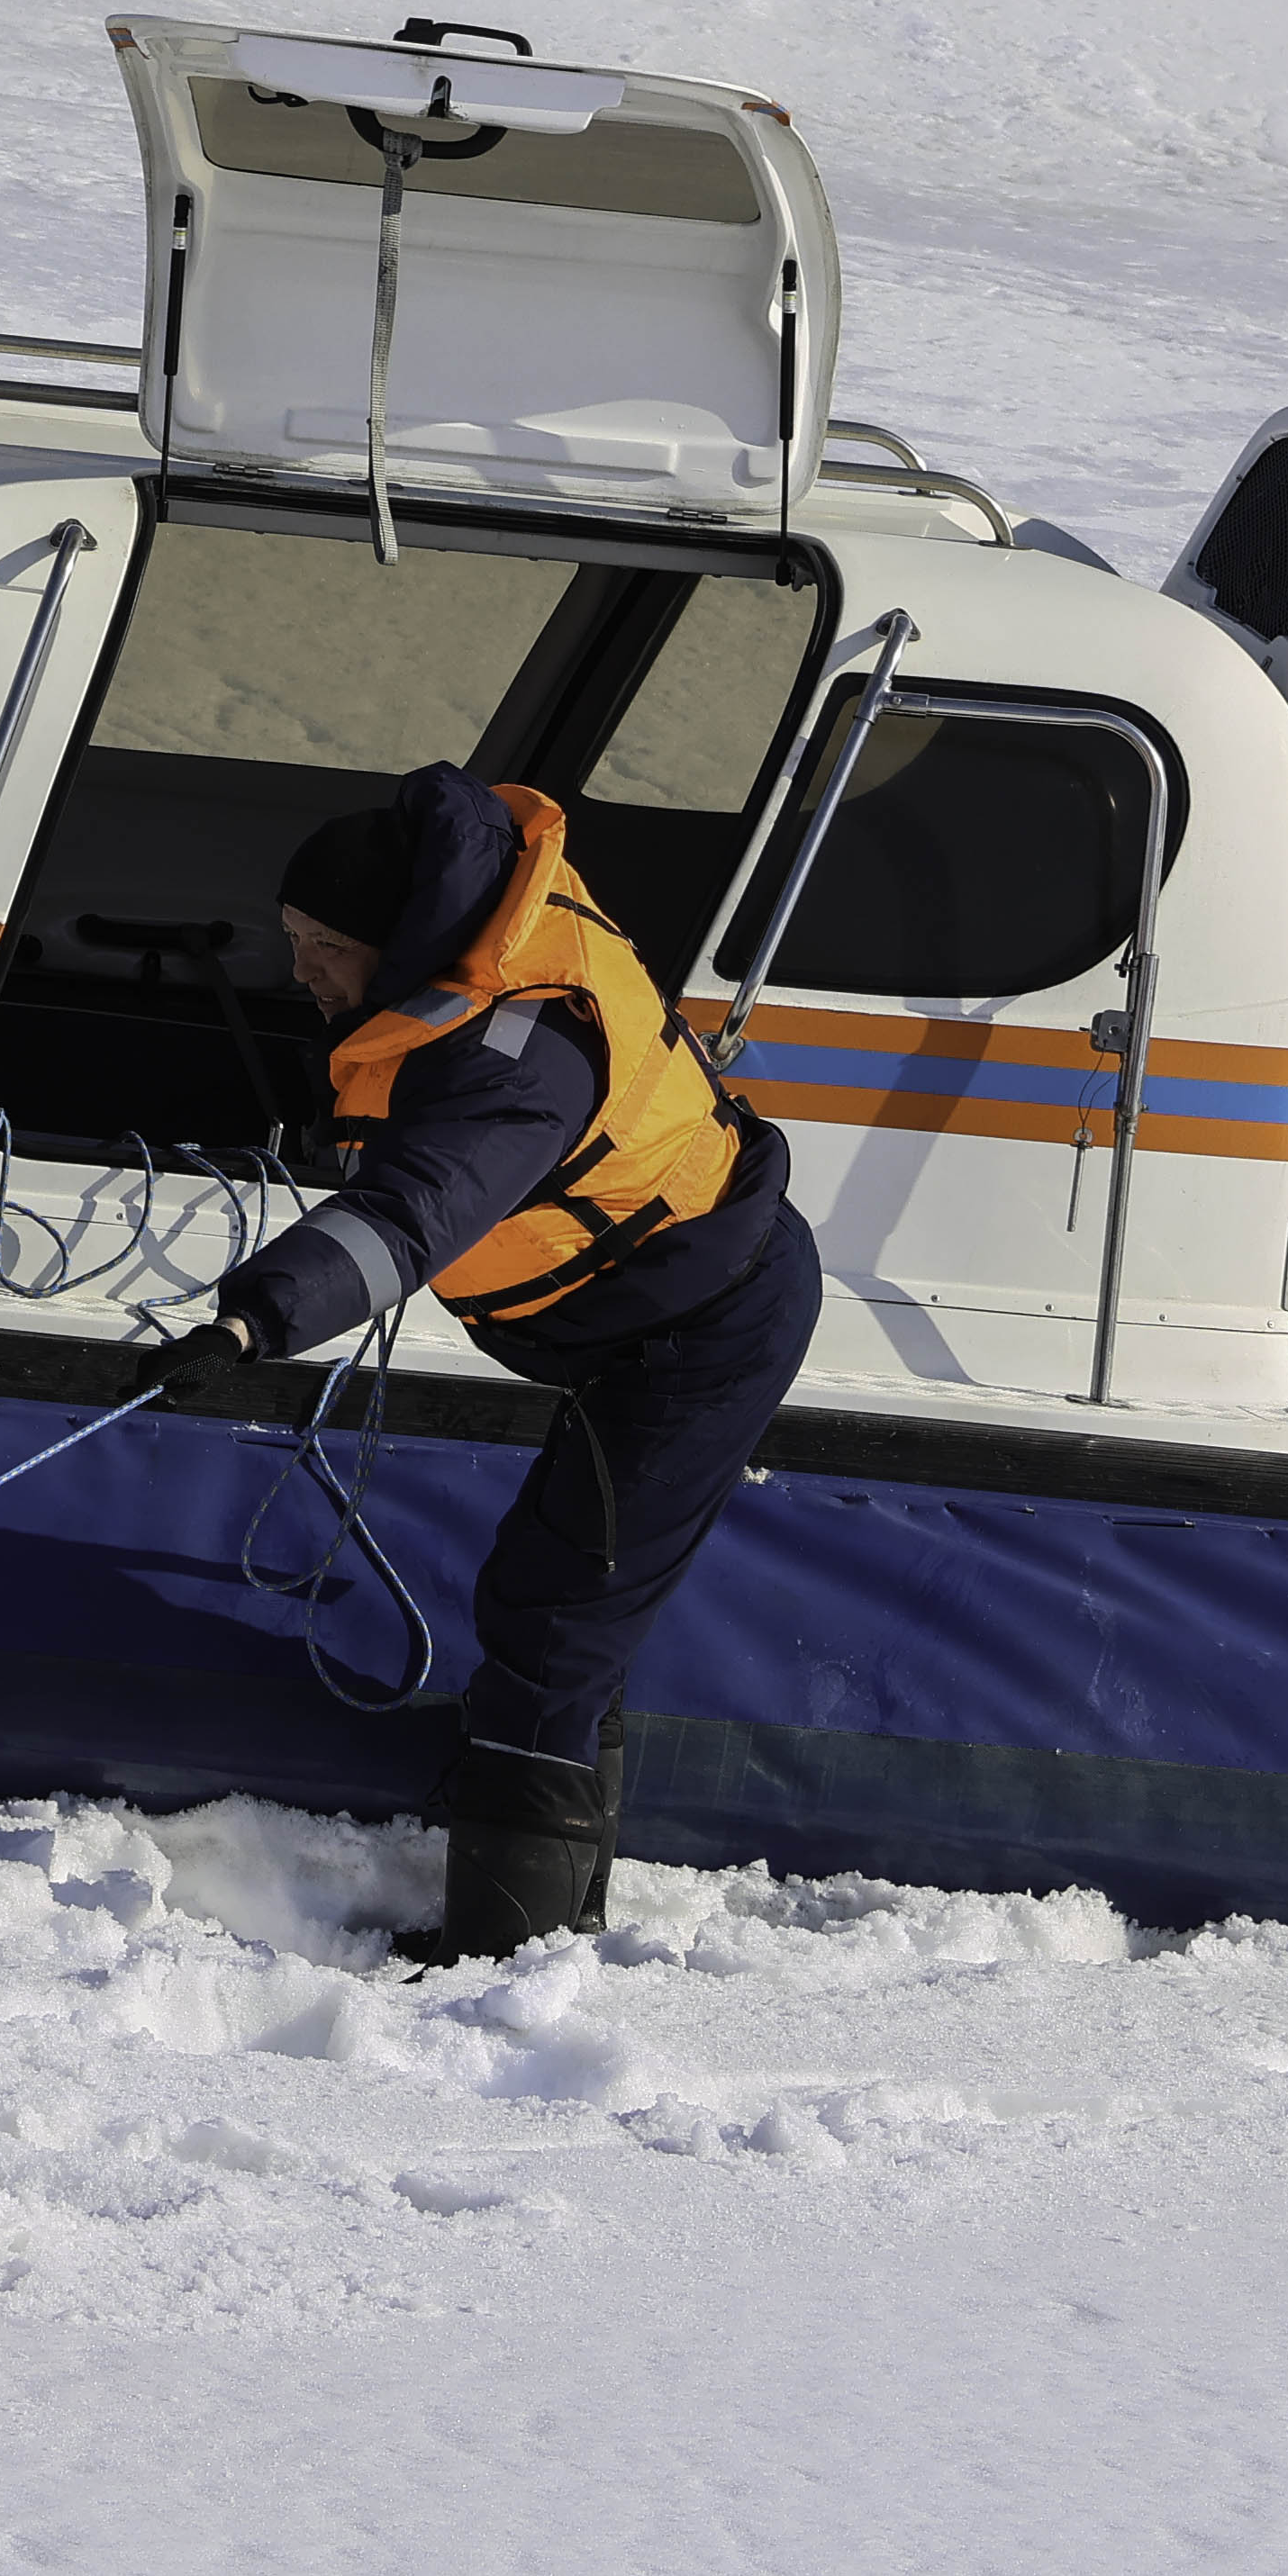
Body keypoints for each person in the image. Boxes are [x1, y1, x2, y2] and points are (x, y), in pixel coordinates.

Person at [181, 760, 827, 1961]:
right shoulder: (446, 1000)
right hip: (629, 1329)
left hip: (707, 1328)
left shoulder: (518, 1052)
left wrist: (254, 1322)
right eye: (290, 940)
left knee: (558, 1617)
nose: (301, 972)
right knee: (563, 1593)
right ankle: (545, 1910)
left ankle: (510, 1954)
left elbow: (417, 1211)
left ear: (389, 938)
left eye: (319, 945)